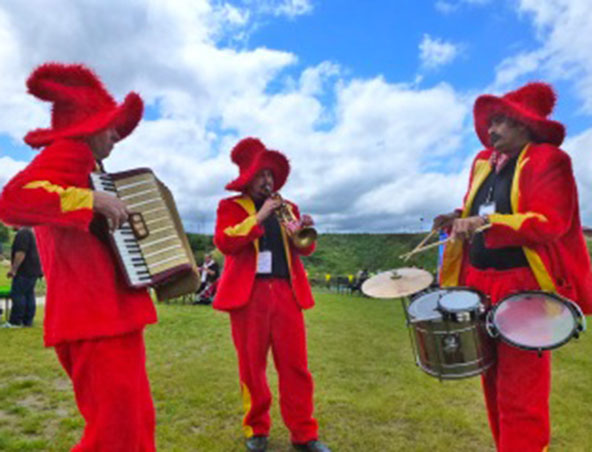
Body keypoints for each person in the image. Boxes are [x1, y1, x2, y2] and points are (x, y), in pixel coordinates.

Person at [0, 63, 157, 450]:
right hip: (93, 318)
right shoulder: (68, 152)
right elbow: (13, 200)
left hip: (108, 316)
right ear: (88, 127)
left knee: (134, 423)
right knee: (116, 433)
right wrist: (89, 199)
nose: (116, 134)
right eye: (109, 125)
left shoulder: (90, 166)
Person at [434, 82, 592, 451]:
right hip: (477, 284)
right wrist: (457, 216)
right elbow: (478, 210)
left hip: (522, 286)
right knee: (490, 381)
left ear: (526, 126)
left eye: (502, 121)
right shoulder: (482, 164)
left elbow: (550, 222)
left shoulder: (549, 160)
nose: (491, 129)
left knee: (522, 391)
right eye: (491, 121)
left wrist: (486, 224)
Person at [213, 137, 330, 452]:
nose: (267, 181)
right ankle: (257, 428)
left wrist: (302, 231)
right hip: (249, 296)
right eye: (261, 174)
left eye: (270, 175)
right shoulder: (230, 207)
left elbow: (305, 249)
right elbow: (225, 242)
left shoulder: (288, 207)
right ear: (247, 177)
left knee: (296, 366)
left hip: (285, 292)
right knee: (252, 366)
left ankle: (304, 434)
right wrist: (260, 215)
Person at [3, 227, 43, 327]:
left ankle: (16, 321)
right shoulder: (33, 232)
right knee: (29, 294)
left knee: (18, 294)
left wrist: (13, 269)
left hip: (24, 270)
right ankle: (28, 320)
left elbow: (21, 253)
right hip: (34, 270)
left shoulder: (23, 233)